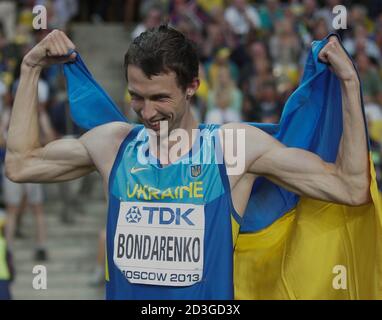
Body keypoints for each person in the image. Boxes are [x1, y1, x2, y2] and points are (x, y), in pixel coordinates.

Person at [4, 26, 370, 299]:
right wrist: (31, 67)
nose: (147, 113)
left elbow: (350, 187)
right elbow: (20, 164)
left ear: (192, 86)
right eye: (136, 97)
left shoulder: (231, 149)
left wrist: (350, 83)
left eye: (160, 98)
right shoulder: (113, 145)